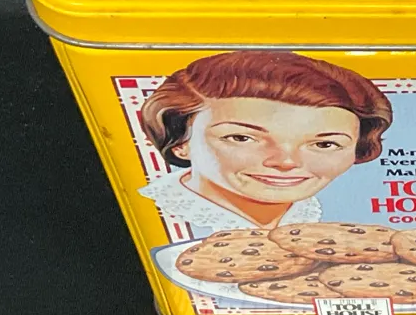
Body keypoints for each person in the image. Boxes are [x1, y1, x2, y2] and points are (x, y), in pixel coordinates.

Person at [136, 50, 392, 236]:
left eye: (324, 144)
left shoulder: (323, 219)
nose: (286, 162)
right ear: (180, 142)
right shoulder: (152, 220)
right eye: (242, 138)